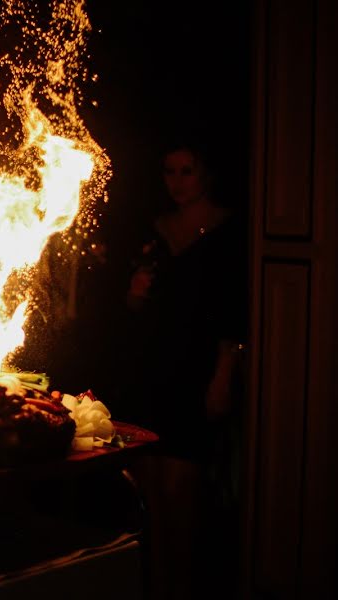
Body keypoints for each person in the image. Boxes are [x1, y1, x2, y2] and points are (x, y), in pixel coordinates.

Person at [118, 140, 246, 599]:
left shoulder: (229, 232)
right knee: (149, 494)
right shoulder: (155, 229)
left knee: (182, 494)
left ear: (206, 174)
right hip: (152, 368)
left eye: (187, 171)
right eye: (168, 171)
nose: (176, 182)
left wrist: (223, 375)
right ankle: (154, 587)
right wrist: (135, 290)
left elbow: (232, 312)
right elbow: (135, 306)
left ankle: (184, 589)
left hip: (197, 372)